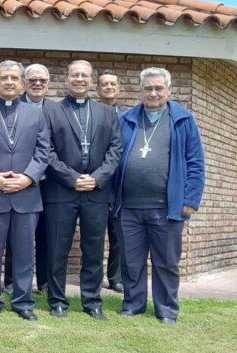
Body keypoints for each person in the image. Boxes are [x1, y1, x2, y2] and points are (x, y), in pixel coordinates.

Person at [113, 67, 204, 325]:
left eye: (158, 88)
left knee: (166, 263)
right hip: (129, 206)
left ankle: (166, 310)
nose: (153, 93)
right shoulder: (126, 119)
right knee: (131, 262)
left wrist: (190, 200)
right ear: (140, 91)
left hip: (167, 207)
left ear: (168, 90)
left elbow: (195, 162)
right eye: (148, 88)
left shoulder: (184, 120)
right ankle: (133, 304)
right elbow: (114, 157)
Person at [0, 61, 49, 321]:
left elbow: (43, 152)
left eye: (15, 78)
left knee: (25, 252)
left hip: (26, 196)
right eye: (4, 77)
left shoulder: (36, 114)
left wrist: (28, 178)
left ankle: (23, 301)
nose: (10, 82)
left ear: (22, 83)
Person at [43, 60, 122, 320]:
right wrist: (72, 177)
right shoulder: (51, 111)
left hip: (96, 192)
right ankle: (57, 301)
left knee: (94, 248)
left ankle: (92, 301)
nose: (79, 79)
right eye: (74, 75)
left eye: (84, 75)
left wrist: (97, 178)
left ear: (91, 80)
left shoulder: (107, 113)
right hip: (61, 191)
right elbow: (47, 151)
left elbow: (115, 150)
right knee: (57, 249)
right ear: (66, 79)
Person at [21, 63, 56, 293]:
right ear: (25, 83)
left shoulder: (56, 110)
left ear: (48, 84)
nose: (37, 84)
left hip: (51, 182)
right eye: (33, 80)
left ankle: (43, 281)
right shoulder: (14, 105)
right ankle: (13, 281)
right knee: (19, 234)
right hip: (20, 181)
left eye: (42, 80)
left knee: (47, 232)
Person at [97, 69, 128, 294]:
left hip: (121, 185)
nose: (108, 87)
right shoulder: (92, 114)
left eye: (112, 84)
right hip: (97, 184)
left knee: (118, 235)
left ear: (118, 88)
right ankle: (93, 277)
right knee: (95, 235)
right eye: (104, 84)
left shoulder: (128, 118)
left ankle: (116, 278)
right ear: (97, 89)